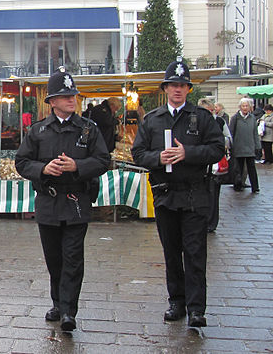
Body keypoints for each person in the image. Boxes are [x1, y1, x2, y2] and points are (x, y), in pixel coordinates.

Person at [15, 68, 109, 332]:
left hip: (77, 200)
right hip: (48, 203)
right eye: (65, 96)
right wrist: (43, 170)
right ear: (52, 101)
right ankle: (57, 302)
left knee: (73, 257)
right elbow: (22, 162)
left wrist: (76, 166)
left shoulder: (88, 129)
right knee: (54, 258)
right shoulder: (39, 130)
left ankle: (69, 310)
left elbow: (103, 160)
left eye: (73, 95)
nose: (72, 99)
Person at [131, 59, 224, 328]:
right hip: (165, 194)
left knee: (195, 252)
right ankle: (177, 301)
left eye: (183, 85)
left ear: (188, 89)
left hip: (195, 195)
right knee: (171, 252)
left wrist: (188, 153)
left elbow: (217, 149)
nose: (178, 90)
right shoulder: (153, 120)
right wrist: (158, 158)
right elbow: (138, 154)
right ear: (166, 88)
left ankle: (197, 308)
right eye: (174, 85)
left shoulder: (202, 118)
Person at [197, 98, 232, 233]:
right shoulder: (194, 121)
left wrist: (218, 143)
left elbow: (228, 139)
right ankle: (201, 221)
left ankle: (211, 223)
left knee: (213, 194)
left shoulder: (219, 121)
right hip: (199, 165)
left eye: (211, 111)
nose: (210, 113)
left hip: (214, 165)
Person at [229, 97, 261, 193]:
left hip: (250, 147)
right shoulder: (235, 118)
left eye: (247, 106)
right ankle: (238, 185)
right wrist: (231, 146)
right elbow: (231, 133)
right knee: (238, 168)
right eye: (243, 106)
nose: (245, 108)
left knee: (251, 168)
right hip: (238, 147)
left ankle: (255, 187)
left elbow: (255, 133)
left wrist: (258, 146)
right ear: (240, 107)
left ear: (250, 107)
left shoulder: (252, 118)